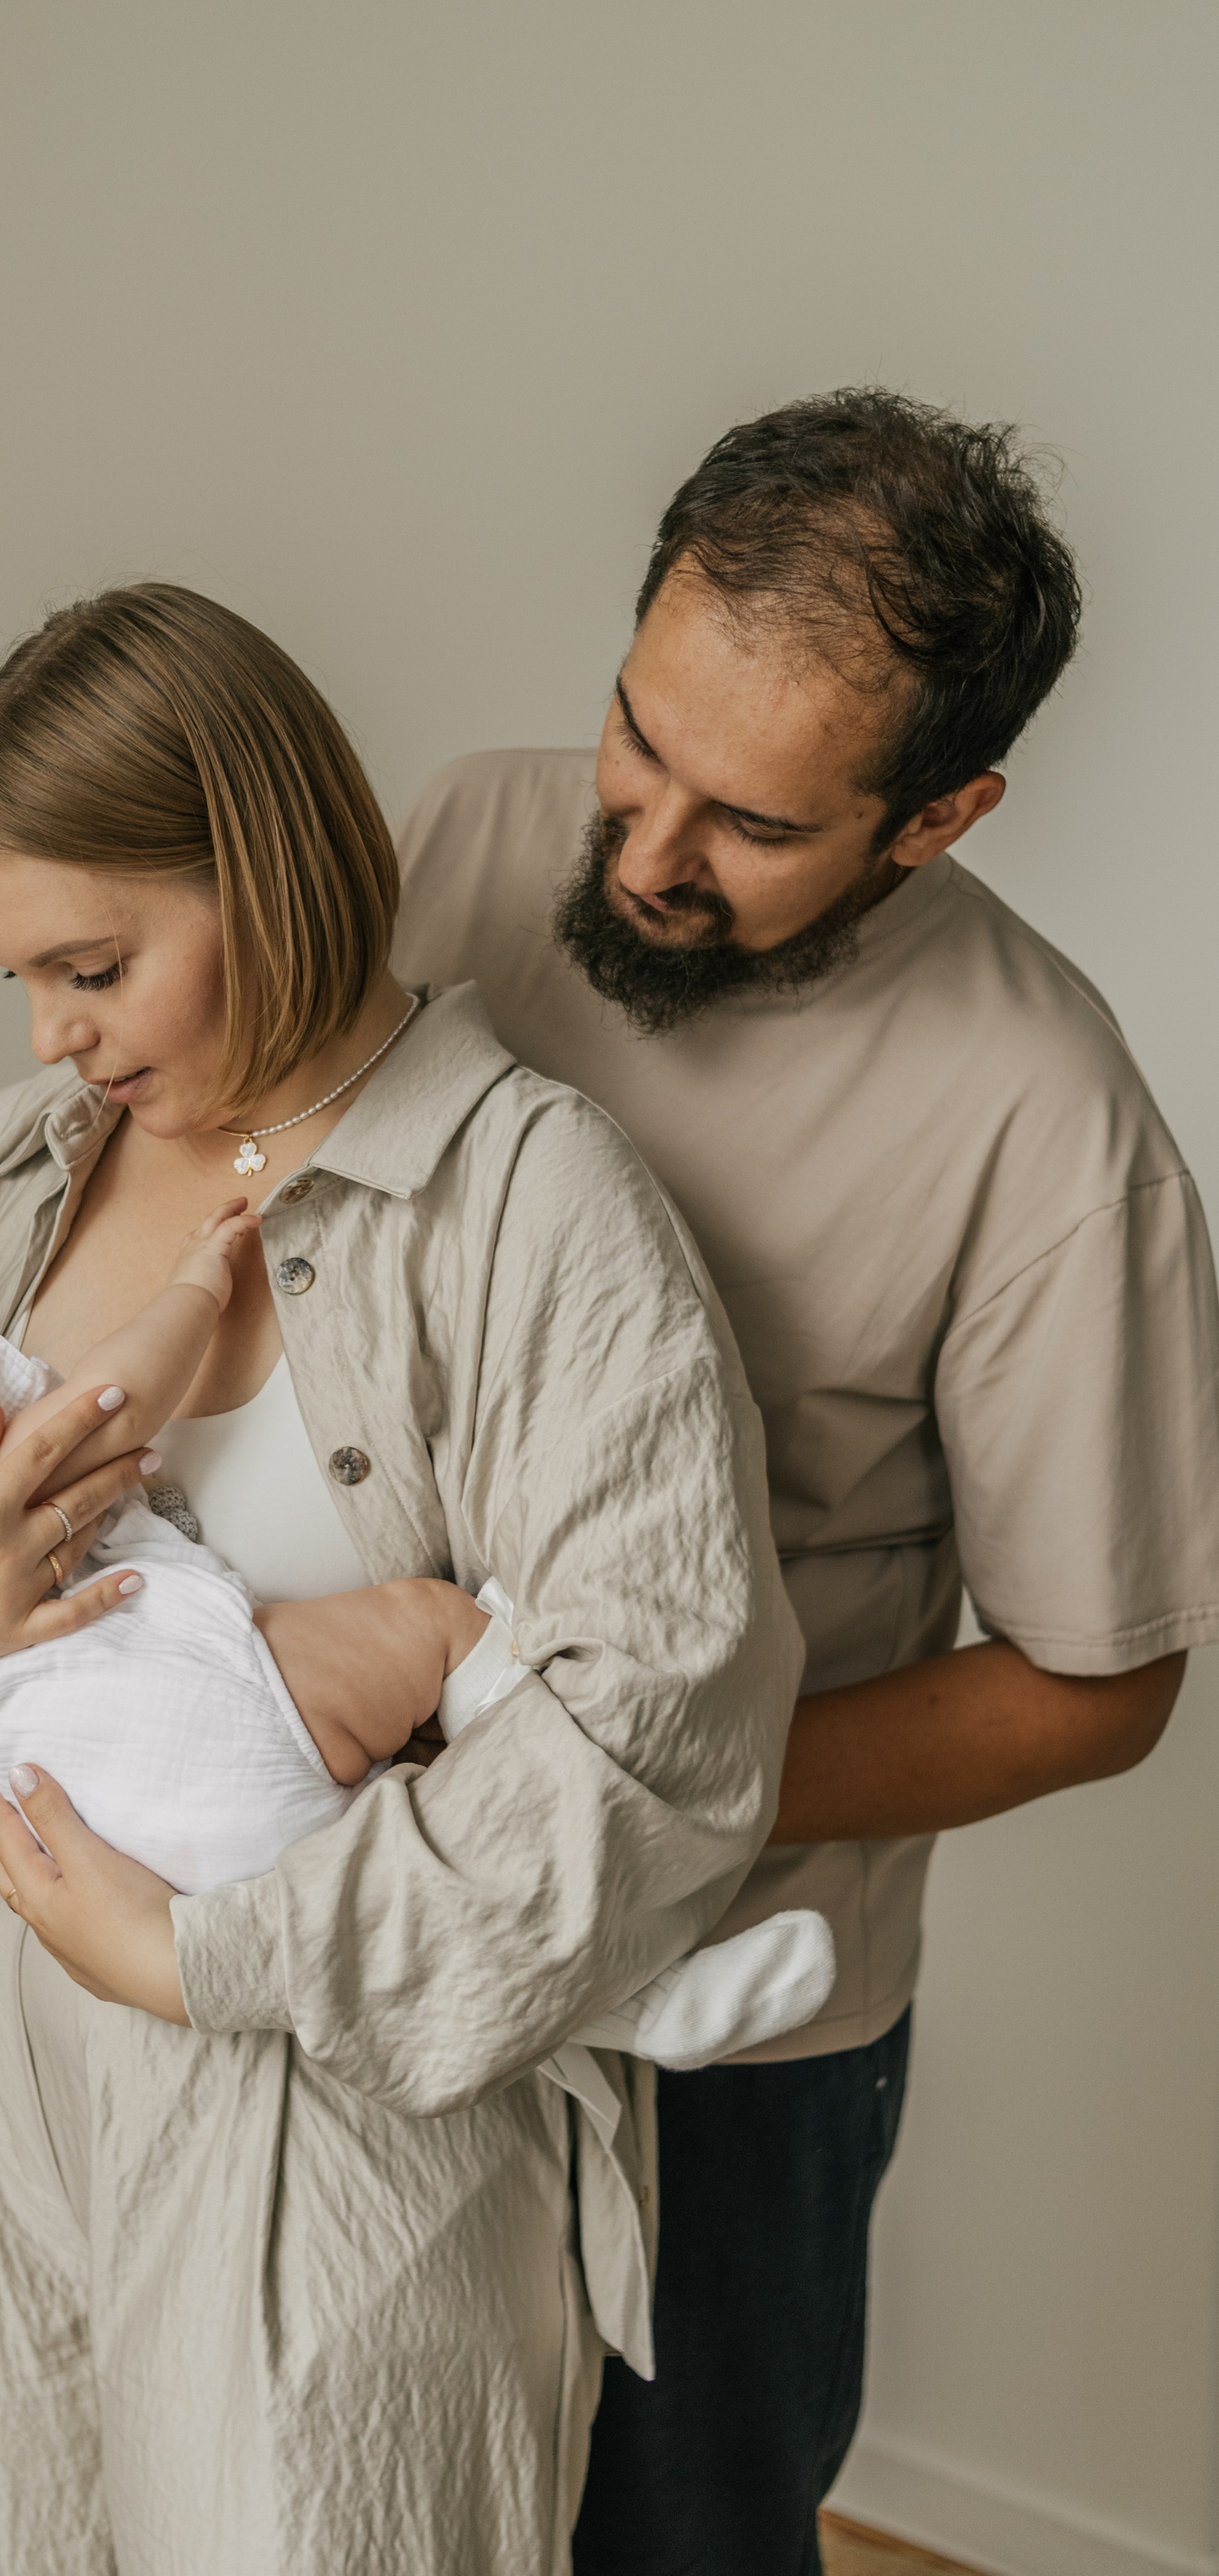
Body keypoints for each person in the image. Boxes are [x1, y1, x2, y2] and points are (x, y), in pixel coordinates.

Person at [0, 582, 805, 2575]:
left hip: (334, 2130)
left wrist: (197, 1958)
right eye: (17, 976)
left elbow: (654, 1730)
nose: (50, 1033)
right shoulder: (12, 1166)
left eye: (92, 962)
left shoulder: (532, 1200)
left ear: (269, 865)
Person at [392, 386, 1219, 2576]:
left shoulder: (1051, 1123)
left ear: (940, 813)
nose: (648, 847)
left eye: (752, 823)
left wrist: (632, 1787)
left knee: (674, 2544)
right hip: (350, 1919)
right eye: (637, 736)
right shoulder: (456, 842)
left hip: (719, 2037)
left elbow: (1094, 1684)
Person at [0, 1162, 832, 2058]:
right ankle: (595, 1925)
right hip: (214, 1732)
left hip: (88, 1850)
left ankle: (613, 2007)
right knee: (431, 1624)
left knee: (388, 1858)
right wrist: (197, 1289)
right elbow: (120, 1397)